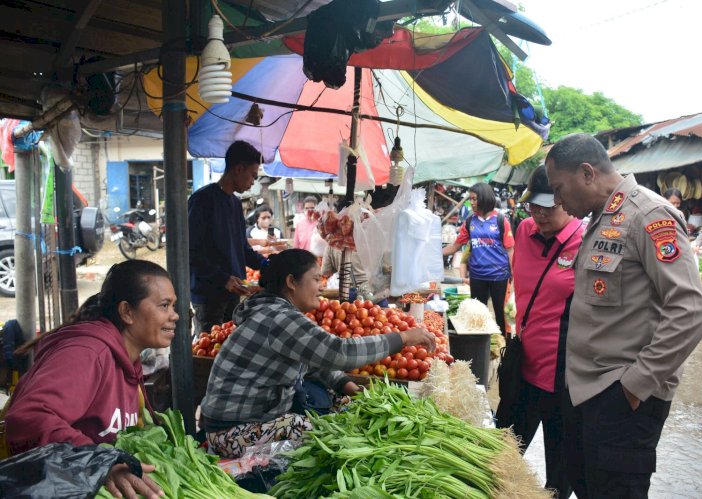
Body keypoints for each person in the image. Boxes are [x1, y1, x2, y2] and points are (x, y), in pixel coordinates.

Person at [545, 133, 702, 498]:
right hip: (587, 391)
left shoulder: (648, 215)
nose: (556, 200)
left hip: (622, 399)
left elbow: (691, 311)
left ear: (587, 173)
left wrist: (635, 386)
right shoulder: (602, 217)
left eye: (559, 188)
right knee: (586, 485)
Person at [200, 249, 436, 458]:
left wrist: (345, 384)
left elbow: (311, 362)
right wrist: (402, 338)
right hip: (230, 432)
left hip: (251, 419)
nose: (321, 286)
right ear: (292, 282)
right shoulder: (279, 319)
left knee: (345, 404)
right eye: (315, 279)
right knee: (326, 430)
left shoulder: (274, 313)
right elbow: (338, 351)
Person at [5, 260, 178, 499]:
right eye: (164, 305)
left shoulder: (128, 359)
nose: (175, 315)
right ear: (127, 311)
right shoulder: (86, 353)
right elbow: (28, 418)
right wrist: (99, 462)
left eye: (173, 305)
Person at [498, 166, 585, 499]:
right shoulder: (523, 231)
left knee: (559, 479)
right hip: (523, 368)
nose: (540, 214)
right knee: (499, 458)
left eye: (550, 206)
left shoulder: (586, 241)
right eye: (534, 205)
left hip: (564, 381)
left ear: (568, 200)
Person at [188, 140, 265, 335]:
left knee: (229, 347)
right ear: (239, 169)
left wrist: (268, 265)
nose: (253, 182)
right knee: (208, 351)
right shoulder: (202, 201)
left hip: (233, 294)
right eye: (253, 176)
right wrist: (223, 279)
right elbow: (190, 252)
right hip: (208, 297)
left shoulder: (236, 204)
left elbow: (243, 249)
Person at [441, 182, 514, 333]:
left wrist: (514, 277)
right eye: (470, 199)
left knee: (501, 314)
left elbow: (510, 250)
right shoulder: (469, 222)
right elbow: (455, 246)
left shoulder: (501, 221)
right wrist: (433, 253)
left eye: (474, 199)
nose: (471, 202)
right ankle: (482, 349)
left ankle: (505, 349)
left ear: (484, 198)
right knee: (478, 315)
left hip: (499, 276)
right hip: (477, 276)